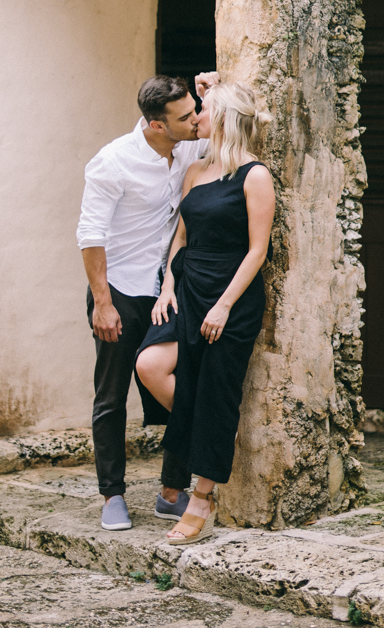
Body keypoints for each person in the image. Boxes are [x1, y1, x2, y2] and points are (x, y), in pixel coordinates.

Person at [77, 71, 219, 532]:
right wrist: (102, 303)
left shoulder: (190, 144)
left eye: (194, 111)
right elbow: (90, 235)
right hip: (119, 290)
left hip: (169, 290)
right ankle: (111, 496)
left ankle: (170, 492)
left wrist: (214, 88)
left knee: (178, 382)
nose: (196, 120)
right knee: (112, 395)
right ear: (158, 125)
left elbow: (235, 120)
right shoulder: (113, 161)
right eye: (185, 116)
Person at [135, 82, 275, 544]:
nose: (195, 116)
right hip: (187, 288)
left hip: (229, 296)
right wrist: (167, 289)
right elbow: (181, 236)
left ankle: (200, 499)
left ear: (223, 118)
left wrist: (224, 305)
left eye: (203, 110)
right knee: (151, 364)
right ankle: (212, 437)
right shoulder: (195, 169)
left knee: (216, 390)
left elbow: (257, 252)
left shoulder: (255, 176)